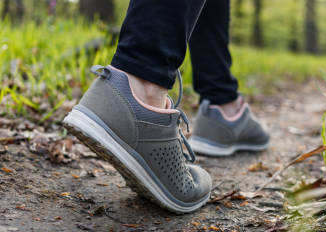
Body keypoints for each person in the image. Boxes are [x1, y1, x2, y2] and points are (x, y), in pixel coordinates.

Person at [62, 0, 269, 214]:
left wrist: (220, 92)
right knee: (145, 70)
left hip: (215, 90)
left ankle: (221, 100)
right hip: (142, 70)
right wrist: (146, 66)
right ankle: (143, 82)